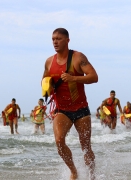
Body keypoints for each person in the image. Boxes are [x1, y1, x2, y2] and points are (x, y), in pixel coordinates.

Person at [42, 28, 98, 180]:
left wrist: (74, 79)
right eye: (53, 38)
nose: (55, 41)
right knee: (59, 141)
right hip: (62, 110)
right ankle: (74, 171)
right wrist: (47, 88)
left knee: (85, 147)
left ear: (67, 40)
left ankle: (92, 176)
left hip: (81, 109)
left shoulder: (78, 57)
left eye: (59, 38)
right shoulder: (49, 62)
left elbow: (94, 77)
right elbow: (45, 82)